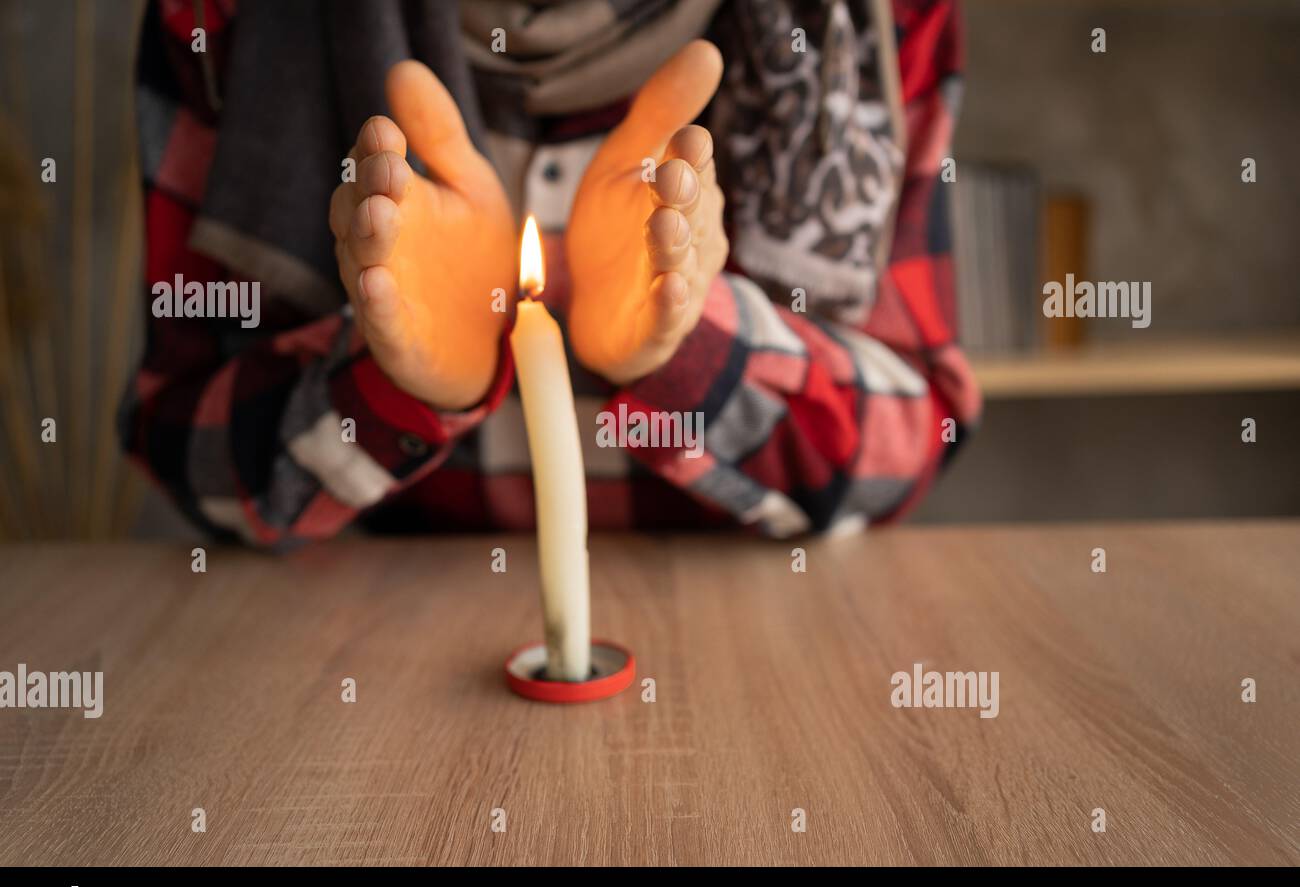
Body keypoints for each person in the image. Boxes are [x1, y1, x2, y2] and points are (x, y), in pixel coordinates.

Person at [120, 0, 979, 548]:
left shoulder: (873, 23)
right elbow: (179, 450)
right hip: (377, 670)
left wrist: (689, 345)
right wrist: (396, 385)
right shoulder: (222, 22)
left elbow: (917, 445)